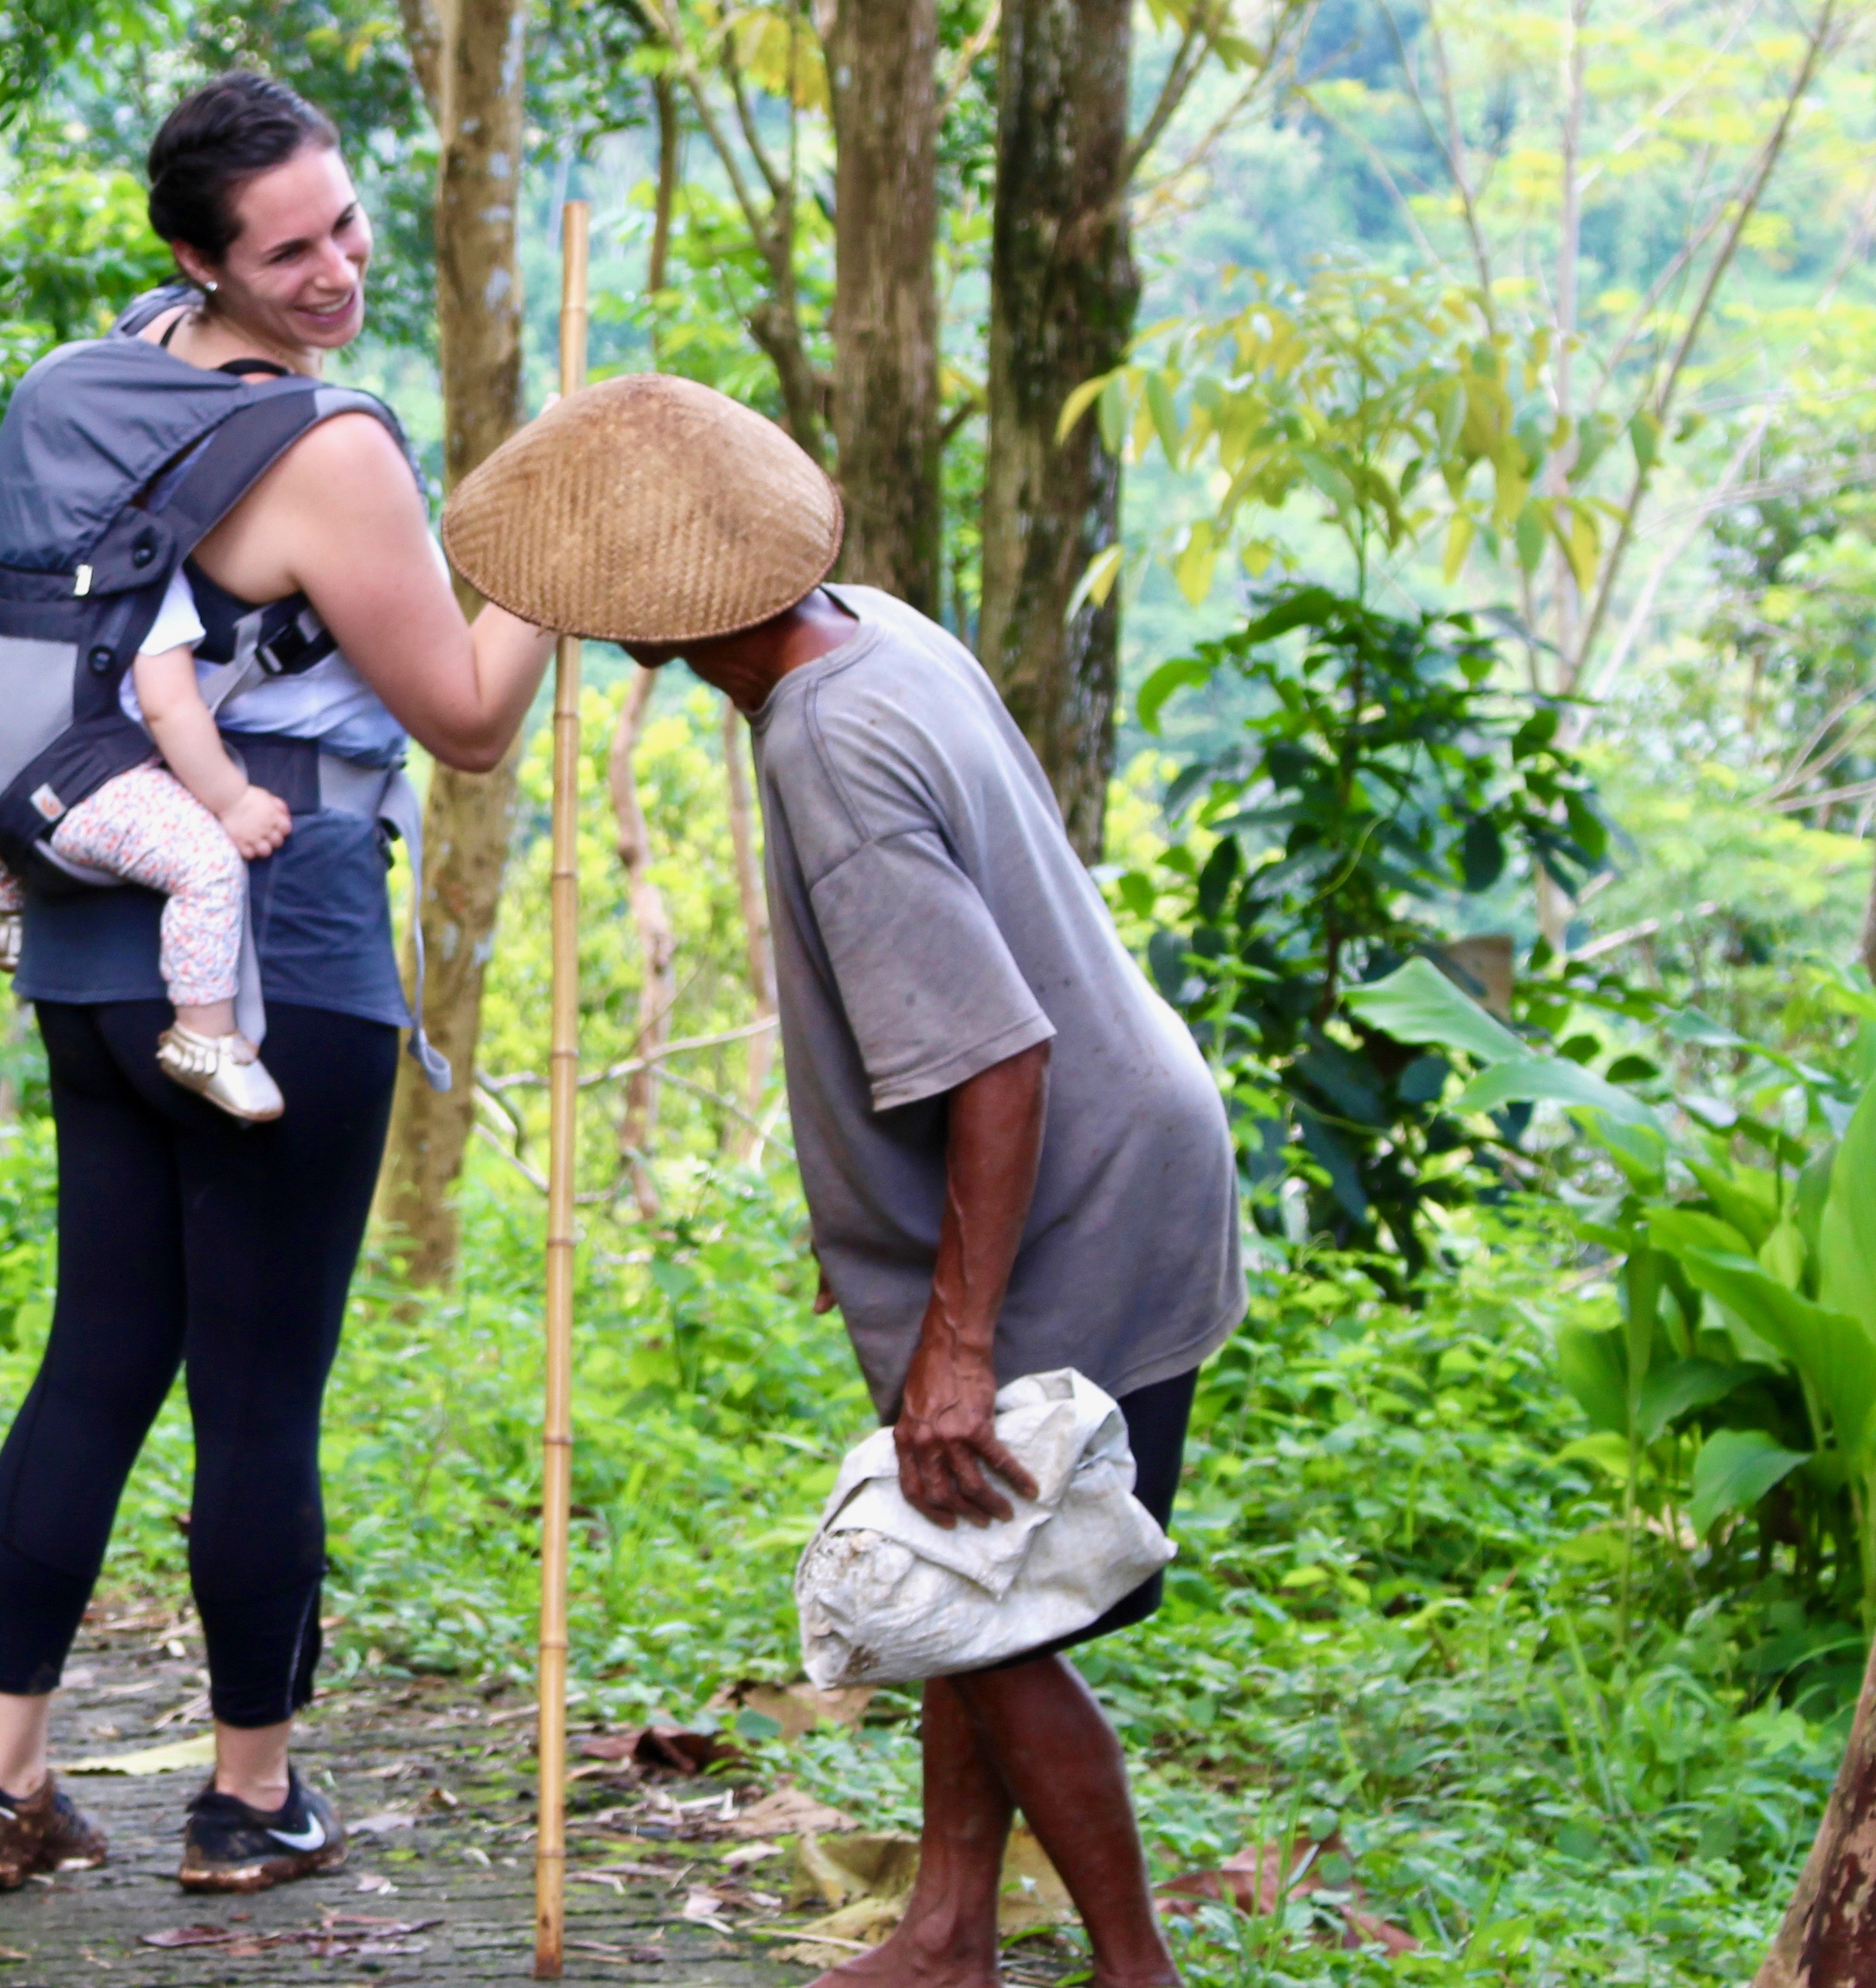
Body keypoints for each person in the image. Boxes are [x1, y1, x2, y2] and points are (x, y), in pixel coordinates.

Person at [439, 374, 1246, 1988]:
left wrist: (957, 1332)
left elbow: (994, 1057)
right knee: (966, 1577)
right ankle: (946, 1932)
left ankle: (1134, 1966)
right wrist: (881, 1226)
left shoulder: (827, 738)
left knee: (990, 1606)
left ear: (649, 629)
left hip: (1076, 1187)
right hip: (1120, 1136)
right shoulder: (870, 626)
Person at [0, 72, 555, 1896]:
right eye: (290, 251)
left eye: (346, 225)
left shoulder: (96, 377)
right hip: (280, 949)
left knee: (99, 1353)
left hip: (93, 935)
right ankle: (248, 1793)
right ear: (203, 256)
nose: (338, 269)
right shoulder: (331, 448)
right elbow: (468, 719)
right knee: (260, 1387)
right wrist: (565, 557)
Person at [0, 570, 294, 1124]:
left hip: (8, 789)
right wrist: (234, 801)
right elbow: (166, 706)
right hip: (92, 788)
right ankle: (204, 1039)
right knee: (206, 864)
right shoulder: (147, 573)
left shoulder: (33, 564)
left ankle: (9, 917)